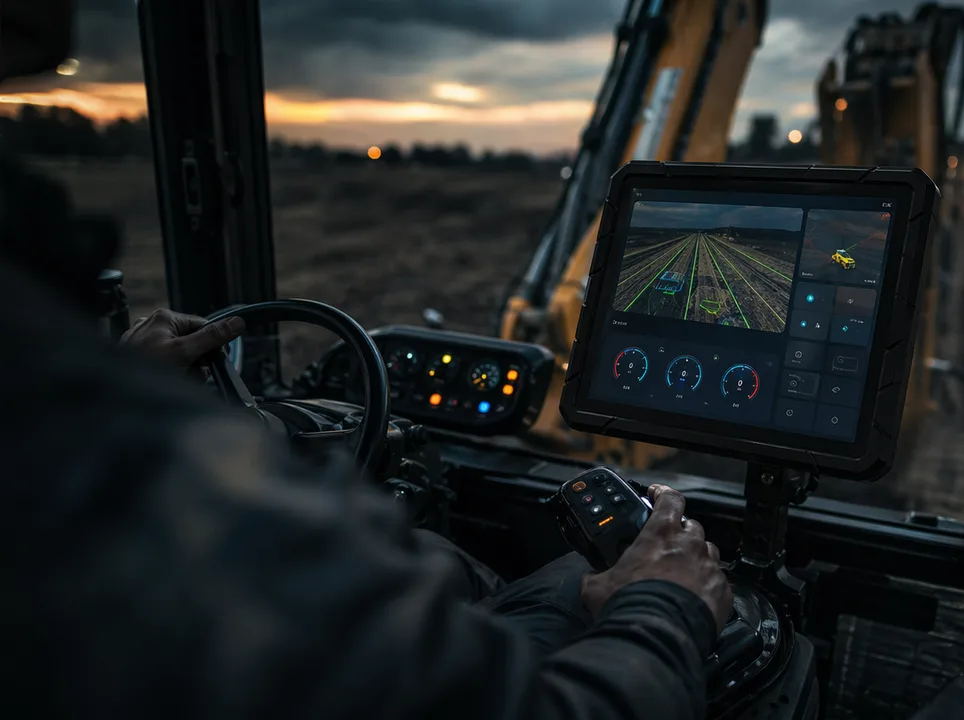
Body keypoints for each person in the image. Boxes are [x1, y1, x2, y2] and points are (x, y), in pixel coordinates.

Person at [1, 3, 732, 718]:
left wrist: (125, 387)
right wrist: (663, 604)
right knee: (582, 569)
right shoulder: (109, 472)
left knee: (443, 557)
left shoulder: (60, 410)